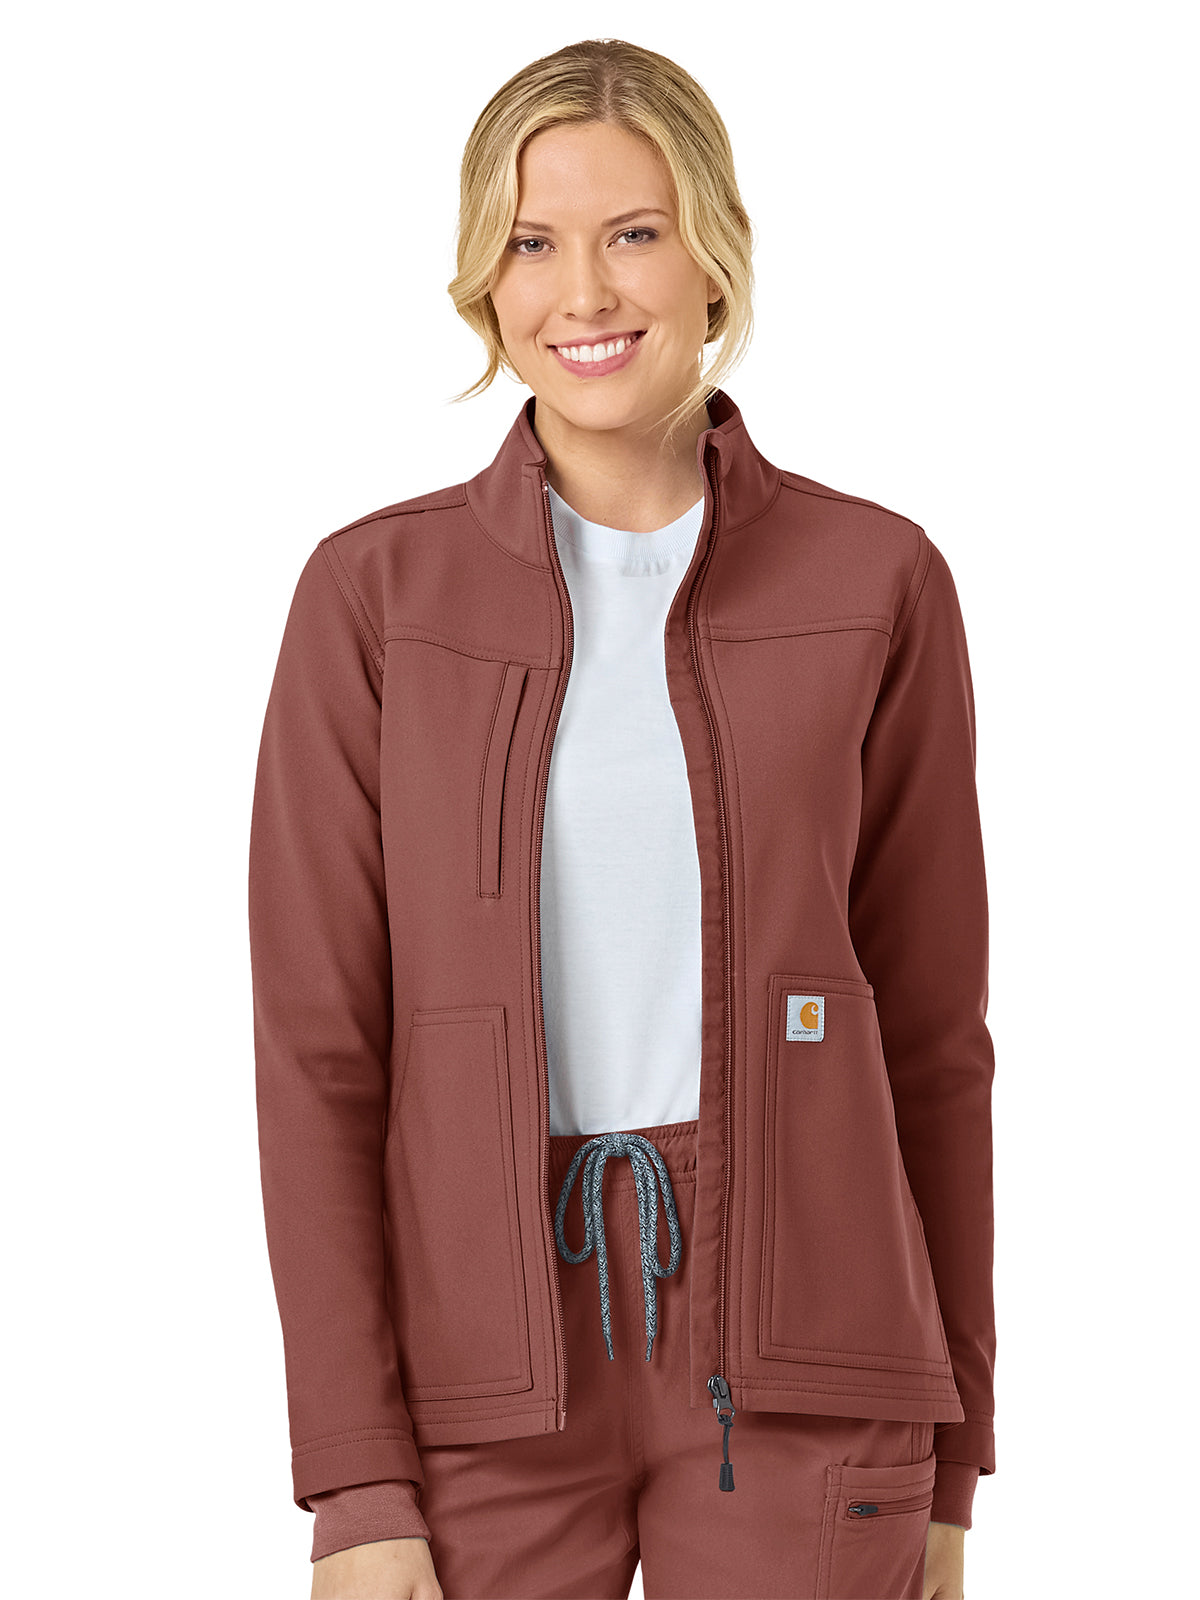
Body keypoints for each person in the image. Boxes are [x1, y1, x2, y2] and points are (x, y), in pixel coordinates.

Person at [248, 36, 995, 1600]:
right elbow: (320, 1057)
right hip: (477, 1382)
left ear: (715, 257)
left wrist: (957, 1458)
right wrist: (355, 1478)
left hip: (815, 1361)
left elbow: (934, 1044)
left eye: (633, 233)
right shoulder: (373, 600)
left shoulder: (878, 583)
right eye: (532, 242)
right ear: (485, 278)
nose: (582, 291)